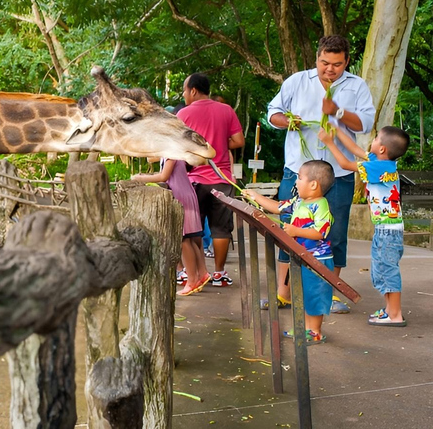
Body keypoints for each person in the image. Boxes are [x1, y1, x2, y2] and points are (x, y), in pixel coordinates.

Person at [266, 35, 375, 313]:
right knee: (288, 229)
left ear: (346, 62)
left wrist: (337, 111)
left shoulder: (356, 86)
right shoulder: (297, 81)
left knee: (334, 233)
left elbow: (364, 124)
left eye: (337, 64)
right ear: (317, 57)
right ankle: (283, 292)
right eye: (325, 62)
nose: (330, 69)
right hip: (298, 171)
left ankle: (329, 292)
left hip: (338, 174)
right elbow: (273, 113)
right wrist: (288, 122)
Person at [319, 125, 410, 326]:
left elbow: (343, 162)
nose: (373, 140)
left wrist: (328, 142)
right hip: (386, 228)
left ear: (383, 149)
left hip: (388, 230)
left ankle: (395, 314)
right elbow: (355, 149)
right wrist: (337, 129)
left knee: (387, 270)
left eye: (377, 138)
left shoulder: (377, 167)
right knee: (381, 269)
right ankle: (389, 310)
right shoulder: (380, 162)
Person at [243, 160, 336, 343]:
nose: (295, 182)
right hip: (301, 258)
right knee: (303, 293)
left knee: (315, 294)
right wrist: (255, 196)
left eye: (299, 178)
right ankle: (305, 327)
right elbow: (278, 207)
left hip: (318, 260)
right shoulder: (299, 202)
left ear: (313, 184)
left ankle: (314, 330)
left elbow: (320, 232)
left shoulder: (321, 205)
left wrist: (296, 231)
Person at [177, 73, 245, 287]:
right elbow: (239, 141)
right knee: (221, 228)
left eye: (185, 90)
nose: (184, 94)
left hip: (194, 179)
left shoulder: (183, 114)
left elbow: (178, 146)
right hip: (222, 178)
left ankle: (196, 272)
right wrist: (219, 146)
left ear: (193, 91)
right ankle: (219, 273)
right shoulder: (226, 110)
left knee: (193, 228)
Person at [132, 157, 211, 296]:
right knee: (190, 238)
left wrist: (140, 178)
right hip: (185, 194)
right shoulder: (171, 153)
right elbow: (152, 159)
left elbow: (164, 176)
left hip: (181, 196)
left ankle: (192, 280)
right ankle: (202, 273)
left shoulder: (170, 153)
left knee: (183, 239)